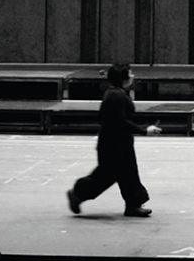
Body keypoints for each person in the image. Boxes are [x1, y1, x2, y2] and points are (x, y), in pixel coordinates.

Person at [67, 63, 162, 217]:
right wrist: (144, 131)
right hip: (112, 144)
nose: (133, 76)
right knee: (105, 176)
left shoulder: (118, 93)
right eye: (130, 74)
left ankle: (133, 205)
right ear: (123, 79)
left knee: (128, 173)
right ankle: (78, 193)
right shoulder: (115, 96)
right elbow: (120, 122)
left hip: (119, 142)